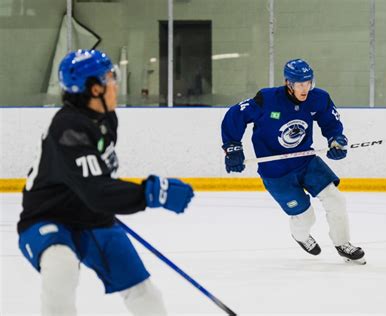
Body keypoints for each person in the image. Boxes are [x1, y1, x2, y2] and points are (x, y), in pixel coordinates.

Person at [18, 49, 194, 315]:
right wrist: (149, 192)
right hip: (47, 218)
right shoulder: (68, 128)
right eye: (110, 79)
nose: (115, 85)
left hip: (93, 216)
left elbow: (96, 182)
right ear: (94, 88)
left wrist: (128, 195)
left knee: (145, 294)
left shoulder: (106, 118)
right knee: (61, 267)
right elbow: (96, 190)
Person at [220, 58, 366, 264]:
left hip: (306, 161)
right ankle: (301, 236)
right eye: (300, 84)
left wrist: (336, 140)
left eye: (308, 83)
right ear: (289, 83)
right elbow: (235, 115)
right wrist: (233, 147)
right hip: (275, 171)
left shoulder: (318, 99)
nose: (305, 89)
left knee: (336, 199)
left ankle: (343, 244)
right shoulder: (267, 99)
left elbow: (330, 121)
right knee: (307, 217)